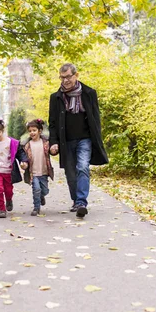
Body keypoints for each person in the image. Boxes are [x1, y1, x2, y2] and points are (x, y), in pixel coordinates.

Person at [48, 63, 108, 218]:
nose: (66, 80)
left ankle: (81, 202)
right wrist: (53, 142)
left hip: (85, 139)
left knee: (82, 167)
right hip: (65, 141)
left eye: (68, 76)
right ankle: (76, 200)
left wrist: (97, 138)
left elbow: (96, 118)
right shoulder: (56, 97)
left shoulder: (89, 93)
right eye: (62, 77)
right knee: (71, 173)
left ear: (76, 75)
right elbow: (53, 123)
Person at [22, 119, 54, 217]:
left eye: (34, 130)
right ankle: (36, 207)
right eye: (30, 131)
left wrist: (53, 150)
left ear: (39, 131)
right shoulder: (26, 145)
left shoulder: (46, 143)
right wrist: (24, 163)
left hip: (44, 171)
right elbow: (23, 156)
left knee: (44, 190)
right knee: (36, 189)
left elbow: (52, 151)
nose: (32, 133)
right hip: (33, 172)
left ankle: (41, 196)